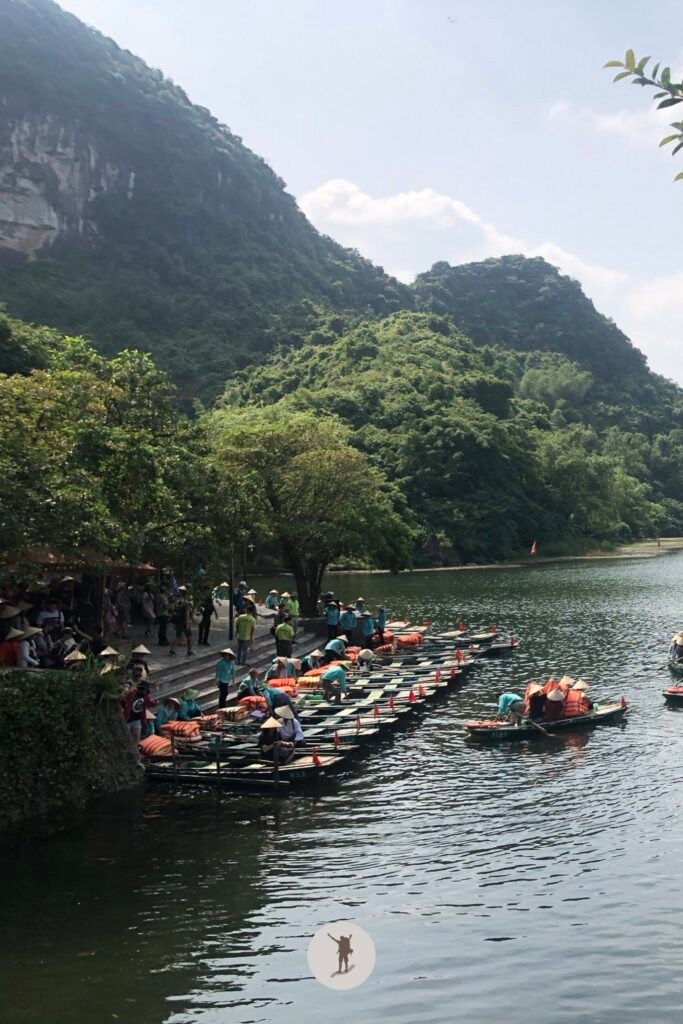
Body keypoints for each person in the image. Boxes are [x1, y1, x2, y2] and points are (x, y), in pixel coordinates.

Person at [122, 675, 156, 743]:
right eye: (141, 689)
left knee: (136, 738)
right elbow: (122, 700)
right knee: (126, 739)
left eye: (144, 690)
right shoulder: (131, 693)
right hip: (127, 719)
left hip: (136, 719)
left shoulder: (144, 695)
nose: (142, 692)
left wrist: (155, 703)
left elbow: (149, 702)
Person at [169, 586, 193, 657]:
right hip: (183, 621)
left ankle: (172, 650)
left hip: (178, 621)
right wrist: (187, 622)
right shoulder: (186, 602)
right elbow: (187, 612)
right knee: (189, 636)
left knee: (178, 636)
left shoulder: (177, 601)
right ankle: (189, 651)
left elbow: (173, 611)